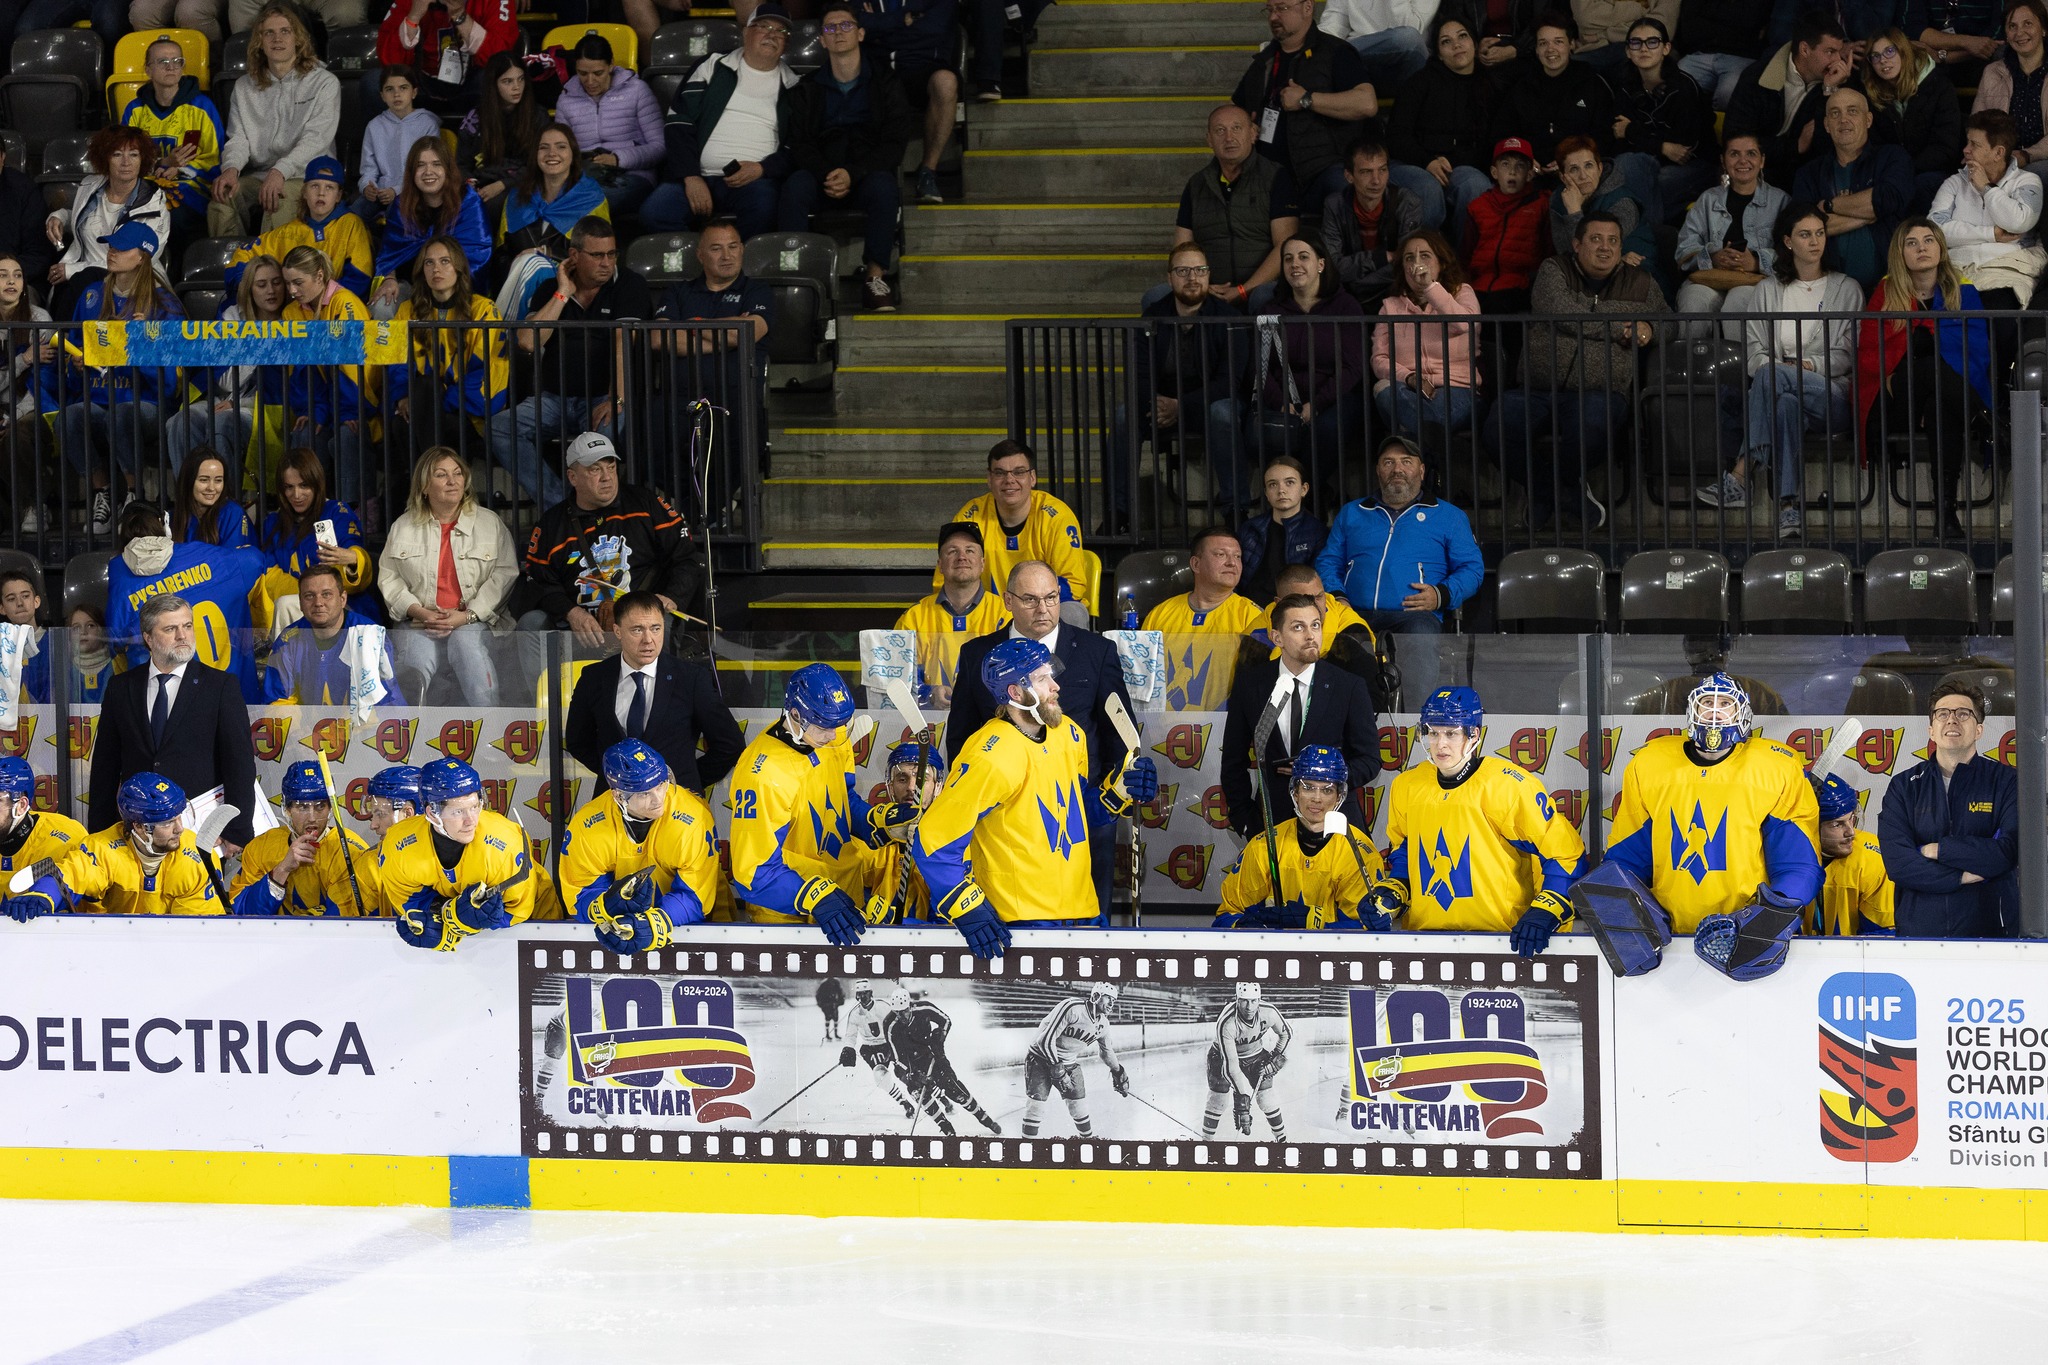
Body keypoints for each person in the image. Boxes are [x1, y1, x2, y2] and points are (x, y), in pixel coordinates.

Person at [915, 638, 1158, 957]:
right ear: (1016, 692)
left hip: (1083, 911)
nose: (1056, 686)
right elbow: (934, 839)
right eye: (1042, 679)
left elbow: (1074, 816)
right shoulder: (989, 755)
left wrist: (1118, 793)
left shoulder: (1069, 733)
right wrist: (963, 904)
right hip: (1022, 922)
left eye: (1051, 675)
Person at [946, 561, 1134, 911]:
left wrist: (1113, 793)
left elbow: (1118, 731)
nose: (1043, 608)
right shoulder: (976, 654)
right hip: (1007, 822)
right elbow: (961, 736)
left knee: (1092, 923)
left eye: (1051, 597)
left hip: (1084, 810)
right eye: (1030, 599)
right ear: (1008, 600)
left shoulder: (1097, 651)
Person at [1600, 674, 1820, 964]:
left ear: (1742, 713)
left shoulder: (1776, 768)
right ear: (1692, 710)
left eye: (1726, 704)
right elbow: (1627, 858)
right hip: (1672, 939)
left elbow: (1798, 864)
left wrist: (1767, 920)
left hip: (1741, 931)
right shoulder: (1649, 764)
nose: (1715, 711)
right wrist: (1630, 919)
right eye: (1706, 703)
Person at [1485, 210, 1667, 531]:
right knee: (1498, 428)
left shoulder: (1641, 282)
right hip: (1536, 389)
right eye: (1595, 239)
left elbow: (1672, 323)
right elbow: (1562, 313)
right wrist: (1618, 327)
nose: (1605, 248)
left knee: (1592, 426)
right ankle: (1562, 493)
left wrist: (1649, 329)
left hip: (1601, 392)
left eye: (1613, 241)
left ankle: (1545, 495)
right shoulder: (1554, 269)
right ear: (1577, 244)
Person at [1368, 686, 1586, 953]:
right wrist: (1392, 892)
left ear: (1474, 734)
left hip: (1502, 942)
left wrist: (1546, 910)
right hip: (1425, 940)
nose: (1440, 744)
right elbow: (1406, 851)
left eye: (1451, 733)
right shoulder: (1407, 785)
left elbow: (1565, 853)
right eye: (1433, 733)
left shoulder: (1508, 786)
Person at [1699, 201, 1861, 532]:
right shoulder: (1767, 290)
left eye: (1820, 233)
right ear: (1787, 241)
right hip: (1779, 390)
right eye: (1805, 235)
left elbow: (1848, 355)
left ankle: (1740, 475)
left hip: (1831, 393)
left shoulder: (1847, 289)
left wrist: (1808, 364)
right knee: (1784, 402)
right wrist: (1780, 371)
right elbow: (1755, 353)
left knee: (1773, 374)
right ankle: (1789, 508)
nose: (1815, 242)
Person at [1855, 218, 1995, 540]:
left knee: (1939, 405)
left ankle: (1946, 514)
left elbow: (1975, 353)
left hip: (1943, 398)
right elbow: (1870, 355)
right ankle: (1986, 419)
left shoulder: (1963, 291)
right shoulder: (1885, 292)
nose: (1922, 248)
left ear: (1941, 248)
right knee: (1931, 370)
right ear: (1900, 253)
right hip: (1894, 400)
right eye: (1912, 243)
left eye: (1928, 240)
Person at [86, 593, 259, 852]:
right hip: (138, 835)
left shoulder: (221, 686)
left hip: (201, 836)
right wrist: (100, 833)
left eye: (187, 626)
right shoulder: (120, 687)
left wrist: (236, 831)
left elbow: (240, 765)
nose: (182, 635)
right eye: (170, 629)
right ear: (148, 638)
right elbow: (105, 767)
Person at [1316, 433, 1483, 701]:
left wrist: (1440, 594)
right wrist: (1337, 596)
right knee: (1333, 642)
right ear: (1378, 470)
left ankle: (1415, 719)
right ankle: (1346, 719)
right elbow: (1328, 560)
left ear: (1421, 470)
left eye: (1406, 461)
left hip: (1414, 616)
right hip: (1354, 612)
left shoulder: (1449, 516)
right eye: (1388, 462)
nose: (1397, 469)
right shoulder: (1352, 512)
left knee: (1421, 635)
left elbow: (1472, 568)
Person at [726, 662, 885, 943]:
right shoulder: (761, 775)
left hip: (843, 894)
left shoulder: (832, 732)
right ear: (796, 715)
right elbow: (754, 872)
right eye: (824, 727)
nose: (833, 735)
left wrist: (876, 821)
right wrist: (813, 895)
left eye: (839, 726)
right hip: (788, 916)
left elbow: (843, 799)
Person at [491, 217, 647, 502]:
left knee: (605, 437)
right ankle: (559, 504)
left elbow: (623, 341)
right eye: (597, 255)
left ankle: (598, 508)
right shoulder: (550, 288)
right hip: (553, 400)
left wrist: (617, 398)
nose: (606, 263)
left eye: (611, 254)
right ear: (574, 255)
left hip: (602, 398)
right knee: (500, 427)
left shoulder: (628, 284)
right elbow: (527, 341)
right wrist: (563, 293)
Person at [47, 223, 186, 535]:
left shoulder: (165, 305)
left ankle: (135, 497)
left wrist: (142, 346)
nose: (112, 252)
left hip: (146, 404)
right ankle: (104, 493)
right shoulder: (91, 295)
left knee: (123, 414)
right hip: (99, 397)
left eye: (121, 248)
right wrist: (77, 365)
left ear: (142, 257)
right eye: (111, 245)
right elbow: (73, 365)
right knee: (69, 417)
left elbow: (169, 384)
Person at [779, 2, 915, 310]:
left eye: (846, 26)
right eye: (830, 28)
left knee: (884, 187)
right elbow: (800, 143)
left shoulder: (886, 82)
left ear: (861, 34)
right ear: (822, 40)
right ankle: (797, 281)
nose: (838, 32)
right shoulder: (807, 88)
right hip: (822, 176)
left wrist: (853, 173)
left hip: (866, 174)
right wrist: (827, 173)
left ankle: (875, 278)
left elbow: (894, 143)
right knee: (794, 186)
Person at [1219, 591, 1380, 838]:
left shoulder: (1348, 686)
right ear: (1277, 637)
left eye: (1315, 625)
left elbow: (1370, 760)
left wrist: (1324, 774)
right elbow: (1233, 761)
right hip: (1272, 826)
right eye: (1298, 627)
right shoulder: (1250, 685)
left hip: (1337, 826)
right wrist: (1245, 820)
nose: (1310, 635)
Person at [563, 589, 742, 797]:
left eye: (656, 628)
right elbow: (577, 741)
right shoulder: (594, 677)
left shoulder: (691, 679)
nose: (648, 639)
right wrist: (618, 777)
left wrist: (686, 781)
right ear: (617, 631)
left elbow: (730, 744)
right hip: (614, 801)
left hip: (677, 803)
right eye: (637, 630)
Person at [378, 446, 519, 705]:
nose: (452, 481)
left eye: (457, 473)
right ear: (424, 486)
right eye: (441, 475)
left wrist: (466, 616)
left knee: (466, 644)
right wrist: (422, 613)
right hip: (420, 621)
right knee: (416, 658)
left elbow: (505, 575)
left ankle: (490, 723)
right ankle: (413, 727)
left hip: (476, 620)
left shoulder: (489, 523)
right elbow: (390, 578)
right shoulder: (403, 526)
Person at [1120, 244, 1246, 532]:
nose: (1193, 278)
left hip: (1211, 405)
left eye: (1200, 270)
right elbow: (1138, 375)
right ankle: (1120, 513)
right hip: (1164, 409)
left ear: (1209, 275)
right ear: (1169, 278)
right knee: (1123, 416)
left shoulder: (1228, 318)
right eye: (1183, 271)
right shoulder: (1152, 317)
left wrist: (1181, 405)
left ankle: (1235, 512)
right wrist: (1157, 404)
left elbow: (1229, 382)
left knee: (1223, 412)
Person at [647, 2, 800, 237]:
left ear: (786, 43)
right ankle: (702, 256)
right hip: (698, 175)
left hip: (755, 182)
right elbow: (679, 122)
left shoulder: (794, 86)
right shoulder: (712, 65)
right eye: (763, 26)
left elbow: (797, 145)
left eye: (781, 31)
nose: (772, 34)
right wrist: (691, 176)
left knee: (765, 209)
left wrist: (763, 168)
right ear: (745, 32)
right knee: (655, 212)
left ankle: (735, 258)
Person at [1222, 235, 1367, 481]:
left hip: (1332, 398)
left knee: (1327, 430)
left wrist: (1316, 405)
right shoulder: (1270, 309)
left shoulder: (1346, 307)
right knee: (1263, 431)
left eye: (1303, 257)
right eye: (1288, 259)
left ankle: (1310, 496)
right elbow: (1258, 366)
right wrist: (1282, 404)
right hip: (1281, 399)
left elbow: (1352, 367)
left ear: (1321, 264)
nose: (1294, 264)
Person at [1878, 682, 2016, 938]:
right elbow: (1899, 864)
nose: (1952, 719)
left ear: (1979, 729)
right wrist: (1961, 876)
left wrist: (1938, 850)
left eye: (1963, 713)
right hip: (1918, 935)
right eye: (1942, 714)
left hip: (1991, 935)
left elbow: (2006, 853)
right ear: (1931, 730)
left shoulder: (2006, 781)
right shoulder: (1903, 786)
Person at [560, 740, 722, 953]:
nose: (658, 799)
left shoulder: (693, 820)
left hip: (689, 930)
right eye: (645, 793)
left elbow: (695, 896)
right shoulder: (587, 826)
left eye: (661, 785)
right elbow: (580, 893)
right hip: (623, 932)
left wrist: (652, 924)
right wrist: (607, 906)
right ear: (618, 795)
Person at [106, 502, 271, 702]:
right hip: (231, 699)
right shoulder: (204, 555)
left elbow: (116, 650)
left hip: (160, 706)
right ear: (164, 524)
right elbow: (255, 560)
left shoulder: (120, 583)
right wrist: (260, 629)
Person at [6, 773, 221, 920]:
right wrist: (44, 894)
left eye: (179, 817)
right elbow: (72, 874)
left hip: (170, 954)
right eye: (167, 823)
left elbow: (194, 931)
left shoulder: (198, 856)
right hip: (104, 950)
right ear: (138, 826)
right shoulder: (102, 848)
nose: (180, 829)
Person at [380, 756, 539, 951]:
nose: (471, 820)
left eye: (475, 807)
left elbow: (517, 911)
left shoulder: (505, 844)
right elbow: (409, 902)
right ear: (432, 813)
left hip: (534, 925)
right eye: (458, 812)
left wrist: (469, 922)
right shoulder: (399, 844)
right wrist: (441, 914)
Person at [1216, 745, 1382, 930]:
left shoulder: (1358, 853)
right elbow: (1227, 915)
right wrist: (1249, 927)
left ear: (1339, 796)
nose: (1317, 798)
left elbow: (1368, 929)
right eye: (1308, 787)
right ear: (1295, 792)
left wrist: (1314, 923)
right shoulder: (1263, 846)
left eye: (1327, 790)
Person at [1233, 0, 1382, 206]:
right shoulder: (1264, 61)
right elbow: (1235, 112)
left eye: (1282, 8)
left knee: (1344, 186)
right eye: (1270, 9)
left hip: (1322, 171)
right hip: (1269, 176)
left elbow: (1366, 103)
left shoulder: (1335, 51)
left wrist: (1307, 99)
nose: (1273, 17)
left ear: (1308, 7)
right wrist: (1245, 127)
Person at [211, 6, 343, 237]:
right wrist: (231, 169)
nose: (277, 39)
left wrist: (280, 171)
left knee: (278, 198)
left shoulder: (324, 82)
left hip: (307, 174)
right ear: (259, 41)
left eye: (285, 31)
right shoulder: (243, 86)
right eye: (269, 33)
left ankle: (270, 260)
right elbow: (239, 139)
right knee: (223, 196)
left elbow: (316, 140)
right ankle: (232, 258)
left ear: (297, 39)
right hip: (261, 174)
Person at [1167, 104, 1299, 312]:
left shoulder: (1276, 177)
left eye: (1236, 128)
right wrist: (1202, 286)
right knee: (1155, 296)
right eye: (1220, 130)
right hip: (1209, 289)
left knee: (1263, 296)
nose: (1229, 137)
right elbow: (1181, 251)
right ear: (1209, 139)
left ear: (1253, 133)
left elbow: (1285, 245)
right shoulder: (1196, 185)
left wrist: (1244, 290)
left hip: (1262, 287)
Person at [387, 236, 510, 457]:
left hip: (464, 415)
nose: (436, 269)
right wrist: (403, 396)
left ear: (458, 267)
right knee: (401, 423)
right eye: (429, 262)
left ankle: (429, 473)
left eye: (445, 261)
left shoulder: (483, 310)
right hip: (421, 406)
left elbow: (488, 372)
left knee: (427, 404)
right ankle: (433, 474)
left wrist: (435, 401)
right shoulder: (407, 311)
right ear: (422, 270)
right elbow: (398, 361)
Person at [1385, 13, 1497, 240]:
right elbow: (1397, 137)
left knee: (1476, 184)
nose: (1456, 45)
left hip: (1458, 166)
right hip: (1411, 163)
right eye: (1446, 41)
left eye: (1462, 36)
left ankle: (1460, 257)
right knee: (1428, 187)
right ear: (1438, 53)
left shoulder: (1490, 86)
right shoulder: (1420, 82)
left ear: (1475, 43)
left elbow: (1488, 145)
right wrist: (1428, 161)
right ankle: (1418, 256)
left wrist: (1450, 162)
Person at [279, 244, 375, 505]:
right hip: (327, 405)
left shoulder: (345, 303)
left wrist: (348, 412)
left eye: (298, 282)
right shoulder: (291, 313)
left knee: (347, 435)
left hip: (358, 406)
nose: (291, 291)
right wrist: (314, 410)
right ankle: (310, 508)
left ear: (320, 276)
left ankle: (355, 511)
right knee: (304, 431)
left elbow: (353, 371)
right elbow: (301, 371)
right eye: (288, 283)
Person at [45, 125, 172, 322]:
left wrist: (73, 270)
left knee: (84, 280)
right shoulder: (90, 186)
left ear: (143, 159)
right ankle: (62, 339)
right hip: (80, 278)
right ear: (105, 158)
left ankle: (67, 338)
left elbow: (144, 257)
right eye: (117, 154)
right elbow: (83, 220)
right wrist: (60, 216)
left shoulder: (155, 202)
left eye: (134, 155)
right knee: (66, 285)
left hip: (129, 280)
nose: (126, 162)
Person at [650, 218, 771, 420]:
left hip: (738, 398)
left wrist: (693, 324)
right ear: (700, 255)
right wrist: (727, 341)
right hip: (679, 398)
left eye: (733, 247)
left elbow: (747, 332)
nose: (726, 256)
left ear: (742, 249)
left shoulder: (758, 291)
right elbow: (659, 339)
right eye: (716, 249)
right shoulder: (678, 291)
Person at [227, 759, 381, 916]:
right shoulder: (261, 847)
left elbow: (344, 923)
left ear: (330, 808)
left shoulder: (348, 850)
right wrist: (281, 870)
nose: (312, 818)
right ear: (287, 809)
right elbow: (240, 914)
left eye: (320, 806)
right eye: (302, 807)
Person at [939, 440, 1087, 604]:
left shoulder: (1057, 518)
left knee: (1073, 612)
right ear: (989, 479)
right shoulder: (971, 516)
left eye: (1019, 472)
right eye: (1000, 473)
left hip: (1041, 609)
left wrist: (1029, 608)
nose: (1009, 479)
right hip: (987, 613)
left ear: (1032, 477)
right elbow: (946, 574)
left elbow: (1073, 584)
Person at [1929, 108, 2048, 308]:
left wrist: (1986, 188)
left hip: (2006, 272)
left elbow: (2019, 221)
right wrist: (1991, 234)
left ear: (1998, 152)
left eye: (1974, 144)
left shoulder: (2028, 181)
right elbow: (1936, 231)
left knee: (1999, 308)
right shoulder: (1954, 183)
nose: (1966, 150)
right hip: (1958, 271)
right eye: (1967, 142)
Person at [222, 157, 373, 311]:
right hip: (296, 312)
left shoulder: (351, 225)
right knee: (231, 308)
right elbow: (243, 255)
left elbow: (360, 277)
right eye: (315, 186)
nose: (321, 193)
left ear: (338, 196)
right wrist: (243, 282)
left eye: (329, 187)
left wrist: (319, 300)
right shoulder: (288, 231)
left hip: (336, 309)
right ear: (304, 192)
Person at [1372, 228, 1481, 441]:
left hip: (1457, 388)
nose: (1416, 263)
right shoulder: (1390, 307)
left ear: (1441, 263)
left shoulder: (1462, 292)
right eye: (1409, 258)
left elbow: (1464, 324)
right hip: (1408, 388)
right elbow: (1380, 359)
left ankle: (1411, 440)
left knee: (1423, 420)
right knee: (1384, 390)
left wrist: (1430, 288)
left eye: (1425, 256)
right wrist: (1409, 377)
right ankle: (1427, 445)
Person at [1608, 17, 1716, 227]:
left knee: (1649, 184)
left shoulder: (1683, 88)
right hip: (1645, 162)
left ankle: (1646, 236)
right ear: (1628, 51)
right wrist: (1662, 146)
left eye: (1652, 42)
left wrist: (1632, 131)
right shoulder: (1624, 86)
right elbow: (1618, 137)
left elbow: (1682, 151)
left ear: (1666, 48)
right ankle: (1655, 231)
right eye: (1636, 43)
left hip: (1697, 164)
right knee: (1624, 166)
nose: (1644, 49)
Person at [1723, 14, 1850, 191]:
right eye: (1830, 52)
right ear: (1805, 49)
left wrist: (1829, 92)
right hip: (1755, 169)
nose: (1837, 61)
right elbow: (1734, 139)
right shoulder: (1757, 77)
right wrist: (1795, 146)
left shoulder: (1838, 82)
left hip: (1802, 174)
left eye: (1839, 52)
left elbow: (1824, 146)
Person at [122, 37, 225, 252]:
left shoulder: (202, 107)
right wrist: (163, 162)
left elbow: (216, 160)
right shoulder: (135, 110)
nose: (171, 67)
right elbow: (124, 158)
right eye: (163, 61)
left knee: (173, 216)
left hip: (191, 190)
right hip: (145, 189)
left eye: (177, 61)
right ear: (148, 70)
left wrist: (180, 170)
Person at [1672, 135, 1787, 326]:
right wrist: (1713, 257)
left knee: (1738, 302)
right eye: (1734, 154)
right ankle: (1693, 349)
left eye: (1751, 154)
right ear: (1723, 161)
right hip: (1711, 279)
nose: (1743, 160)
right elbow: (1683, 250)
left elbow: (1791, 252)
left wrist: (1756, 262)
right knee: (1694, 301)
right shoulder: (1708, 199)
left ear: (1762, 161)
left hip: (1757, 281)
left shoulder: (1780, 201)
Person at [1143, 527, 1262, 712]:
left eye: (1237, 556)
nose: (1232, 563)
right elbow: (1142, 677)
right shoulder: (1160, 614)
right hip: (1161, 725)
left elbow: (1261, 684)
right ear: (1196, 564)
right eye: (1221, 554)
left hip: (1227, 724)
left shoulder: (1253, 616)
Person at [858, 0, 963, 206]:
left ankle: (927, 172)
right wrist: (901, 20)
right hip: (877, 73)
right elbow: (855, 22)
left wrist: (878, 28)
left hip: (922, 69)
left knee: (946, 82)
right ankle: (867, 175)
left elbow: (933, 32)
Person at [895, 520, 1009, 706]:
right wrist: (929, 694)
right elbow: (898, 678)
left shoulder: (1005, 613)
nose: (962, 557)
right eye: (952, 551)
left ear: (982, 563)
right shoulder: (913, 617)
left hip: (990, 717)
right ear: (940, 565)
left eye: (970, 550)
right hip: (929, 721)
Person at [556, 34, 665, 220]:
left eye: (598, 73)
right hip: (586, 175)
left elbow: (660, 147)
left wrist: (618, 159)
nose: (590, 81)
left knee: (592, 201)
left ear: (611, 65)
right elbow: (560, 148)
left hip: (633, 174)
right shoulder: (566, 98)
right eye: (582, 73)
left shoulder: (637, 90)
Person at [265, 562, 401, 706]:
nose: (318, 602)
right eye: (309, 596)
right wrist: (299, 723)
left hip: (364, 719)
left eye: (326, 594)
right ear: (300, 602)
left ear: (343, 599)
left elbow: (384, 701)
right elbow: (279, 702)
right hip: (308, 721)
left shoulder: (369, 636)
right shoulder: (288, 641)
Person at [1491, 11, 1615, 170]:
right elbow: (1502, 134)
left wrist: (1573, 159)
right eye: (1543, 43)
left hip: (1581, 172)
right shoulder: (1523, 87)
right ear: (1536, 49)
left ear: (1571, 44)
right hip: (1531, 173)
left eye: (1558, 42)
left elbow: (1606, 135)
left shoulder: (1592, 83)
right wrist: (1524, 157)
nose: (1550, 49)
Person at [1463, 137, 1552, 349]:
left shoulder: (1542, 203)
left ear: (1529, 174)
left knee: (1500, 311)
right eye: (1505, 165)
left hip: (1520, 285)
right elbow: (1465, 254)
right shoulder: (1478, 206)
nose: (1512, 172)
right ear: (1494, 172)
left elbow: (1549, 251)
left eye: (1520, 166)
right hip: (1480, 285)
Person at [374, 136, 493, 295]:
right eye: (420, 165)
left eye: (436, 164)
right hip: (411, 285)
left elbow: (477, 256)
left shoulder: (468, 202)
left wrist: (440, 287)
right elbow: (390, 254)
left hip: (455, 288)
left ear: (448, 169)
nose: (428, 172)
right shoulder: (402, 204)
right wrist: (389, 278)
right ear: (411, 171)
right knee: (384, 303)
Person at [1863, 28, 1963, 211]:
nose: (1883, 60)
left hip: (1933, 172)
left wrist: (1904, 170)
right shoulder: (1871, 94)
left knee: (1920, 186)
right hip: (1892, 174)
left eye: (1889, 51)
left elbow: (1945, 147)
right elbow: (1876, 146)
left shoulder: (1939, 86)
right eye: (1875, 56)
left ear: (1903, 51)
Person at [1013, 982, 1131, 1137]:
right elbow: (1044, 1040)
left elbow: (1106, 1052)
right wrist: (1058, 1069)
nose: (1111, 1004)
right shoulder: (1072, 1008)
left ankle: (1087, 1142)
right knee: (1036, 1107)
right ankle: (1027, 1144)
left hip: (1068, 1063)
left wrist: (1118, 1071)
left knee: (1079, 1106)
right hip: (1040, 1058)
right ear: (1096, 996)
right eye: (1109, 998)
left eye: (1114, 1001)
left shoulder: (1103, 1024)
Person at [1322, 137, 1425, 310]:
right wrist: (1380, 258)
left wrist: (1358, 281)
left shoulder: (1407, 202)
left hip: (1393, 290)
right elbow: (1332, 266)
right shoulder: (1335, 205)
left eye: (1382, 170)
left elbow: (1408, 263)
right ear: (1349, 176)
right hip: (1346, 295)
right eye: (1366, 172)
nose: (1376, 180)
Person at [375, 0, 521, 120]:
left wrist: (460, 16)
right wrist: (413, 17)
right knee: (374, 83)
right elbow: (389, 62)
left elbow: (500, 59)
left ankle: (493, 145)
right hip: (421, 87)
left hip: (472, 86)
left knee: (496, 80)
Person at [259, 448, 372, 601]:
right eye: (289, 487)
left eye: (304, 485)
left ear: (317, 483)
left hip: (340, 605)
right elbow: (269, 576)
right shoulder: (273, 522)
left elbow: (355, 558)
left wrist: (354, 559)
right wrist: (308, 595)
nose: (297, 495)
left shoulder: (337, 512)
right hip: (291, 605)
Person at [886, 987, 1001, 1135]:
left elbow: (945, 1020)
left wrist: (941, 1035)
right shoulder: (890, 1025)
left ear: (910, 1005)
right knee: (919, 1094)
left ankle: (985, 1118)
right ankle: (947, 1129)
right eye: (898, 1013)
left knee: (954, 1090)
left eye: (905, 1011)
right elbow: (897, 1058)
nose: (902, 1016)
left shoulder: (924, 1008)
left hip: (933, 1055)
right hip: (911, 1064)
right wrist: (915, 1076)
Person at [499, 123, 610, 259]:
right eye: (543, 147)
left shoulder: (592, 199)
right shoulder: (516, 197)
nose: (551, 153)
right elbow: (503, 256)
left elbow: (600, 259)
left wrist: (549, 253)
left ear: (573, 154)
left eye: (561, 147)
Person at [863, 741, 944, 925]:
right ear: (890, 786)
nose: (912, 787)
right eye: (902, 779)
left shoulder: (951, 844)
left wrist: (897, 922)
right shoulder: (872, 840)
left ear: (938, 786)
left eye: (922, 779)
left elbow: (949, 927)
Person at [1548, 135, 1657, 272]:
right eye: (1574, 169)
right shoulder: (1558, 200)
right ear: (1563, 177)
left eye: (1588, 166)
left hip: (1635, 271)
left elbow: (1591, 254)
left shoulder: (1622, 202)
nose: (1583, 176)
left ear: (1599, 169)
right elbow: (1566, 253)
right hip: (1585, 272)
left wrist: (1574, 212)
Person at [1199, 983, 1292, 1139]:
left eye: (1253, 1001)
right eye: (1244, 1001)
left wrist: (1275, 1057)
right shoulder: (1227, 1022)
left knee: (1267, 1099)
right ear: (1237, 999)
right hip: (1222, 1056)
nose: (1249, 1007)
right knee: (1218, 1100)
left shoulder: (1269, 1012)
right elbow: (1232, 1067)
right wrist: (1242, 1102)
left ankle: (1282, 1139)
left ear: (1259, 1000)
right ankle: (1205, 1141)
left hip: (1255, 1054)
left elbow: (1287, 1034)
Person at [1806, 772, 1894, 935]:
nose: (1851, 832)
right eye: (1837, 824)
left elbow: (1882, 936)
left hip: (1855, 951)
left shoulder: (1871, 859)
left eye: (1852, 818)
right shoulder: (1779, 856)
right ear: (1811, 826)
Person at [457, 52, 548, 207]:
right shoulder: (475, 118)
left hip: (521, 183)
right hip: (483, 183)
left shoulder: (538, 116)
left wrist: (502, 185)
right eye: (507, 81)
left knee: (496, 204)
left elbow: (539, 163)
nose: (517, 87)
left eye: (521, 79)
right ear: (493, 85)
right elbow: (462, 164)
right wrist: (470, 184)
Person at [356, 66, 442, 225]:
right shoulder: (374, 126)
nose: (396, 94)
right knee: (352, 216)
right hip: (380, 192)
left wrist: (396, 190)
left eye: (403, 88)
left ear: (414, 92)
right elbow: (369, 168)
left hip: (414, 190)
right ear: (382, 96)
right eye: (389, 89)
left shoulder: (427, 124)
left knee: (395, 213)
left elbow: (427, 169)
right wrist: (367, 187)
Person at [1236, 455, 1325, 605]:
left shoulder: (1316, 532)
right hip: (1248, 609)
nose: (1281, 490)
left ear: (1304, 489)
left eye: (1289, 482)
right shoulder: (1250, 529)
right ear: (1266, 493)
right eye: (1272, 484)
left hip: (1293, 609)